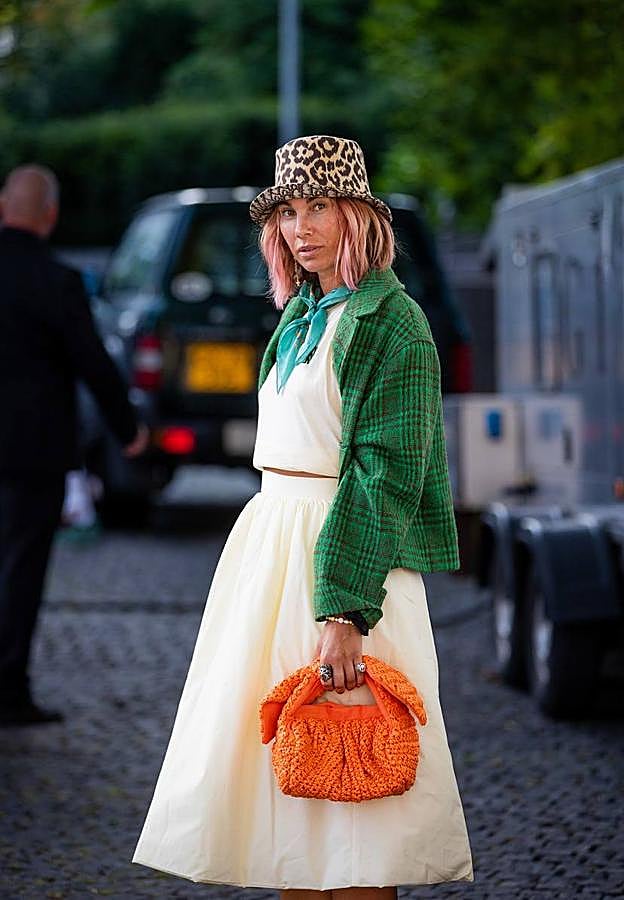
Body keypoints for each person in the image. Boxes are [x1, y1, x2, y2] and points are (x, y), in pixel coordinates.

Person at [132, 136, 474, 894]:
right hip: (273, 556)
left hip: (345, 562)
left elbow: (384, 476)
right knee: (291, 804)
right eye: (287, 211)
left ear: (358, 215)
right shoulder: (298, 315)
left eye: (319, 206)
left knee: (358, 805)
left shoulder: (393, 323)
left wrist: (345, 611)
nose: (300, 227)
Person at [0, 164, 149, 726]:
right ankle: (9, 691)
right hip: (33, 451)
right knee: (20, 569)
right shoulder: (58, 281)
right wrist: (128, 429)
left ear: (2, 207)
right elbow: (94, 363)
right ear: (51, 215)